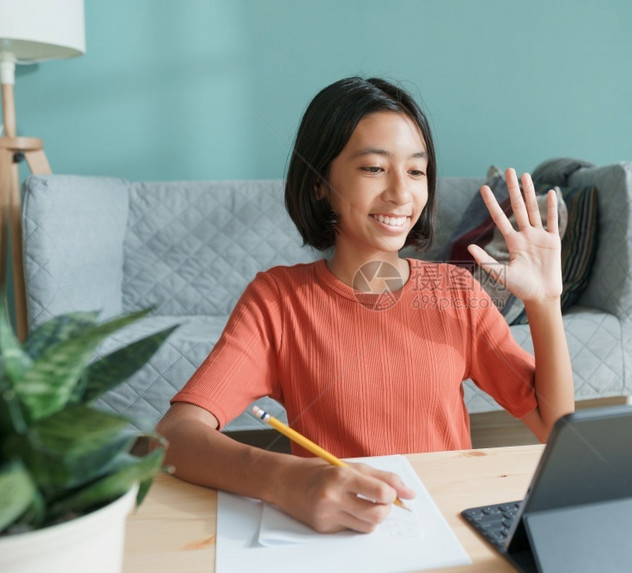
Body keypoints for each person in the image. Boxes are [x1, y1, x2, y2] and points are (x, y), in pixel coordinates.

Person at [155, 76, 575, 534]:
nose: (400, 193)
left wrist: (545, 303)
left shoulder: (457, 292)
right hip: (339, 539)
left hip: (443, 527)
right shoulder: (277, 301)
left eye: (416, 171)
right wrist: (284, 479)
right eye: (374, 168)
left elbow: (555, 429)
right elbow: (174, 437)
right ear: (319, 183)